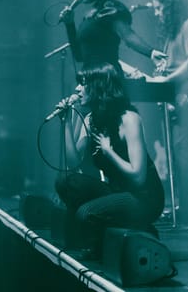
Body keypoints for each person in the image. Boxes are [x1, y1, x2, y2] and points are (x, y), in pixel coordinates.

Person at [55, 62, 165, 259]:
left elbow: (138, 178)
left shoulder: (129, 119)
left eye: (83, 83)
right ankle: (104, 232)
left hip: (144, 197)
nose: (77, 89)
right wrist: (66, 122)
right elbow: (73, 163)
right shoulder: (91, 119)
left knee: (86, 213)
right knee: (64, 181)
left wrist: (109, 151)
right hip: (118, 191)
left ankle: (137, 230)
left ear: (98, 87)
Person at [149, 0, 188, 224]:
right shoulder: (172, 34)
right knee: (172, 154)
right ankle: (179, 205)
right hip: (168, 96)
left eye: (159, 8)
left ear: (171, 6)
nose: (156, 13)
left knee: (182, 152)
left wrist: (168, 79)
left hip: (185, 95)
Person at [59, 0, 167, 74]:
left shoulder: (111, 10)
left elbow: (128, 36)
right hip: (90, 79)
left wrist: (150, 52)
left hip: (107, 80)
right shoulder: (89, 16)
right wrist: (69, 24)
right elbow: (79, 56)